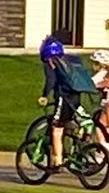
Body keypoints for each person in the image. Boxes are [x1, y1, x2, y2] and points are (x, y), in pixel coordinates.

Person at [38, 36, 95, 167]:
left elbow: (51, 81)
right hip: (75, 95)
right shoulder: (70, 60)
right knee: (69, 119)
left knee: (57, 127)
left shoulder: (50, 62)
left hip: (64, 97)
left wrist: (44, 95)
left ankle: (57, 160)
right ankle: (82, 135)